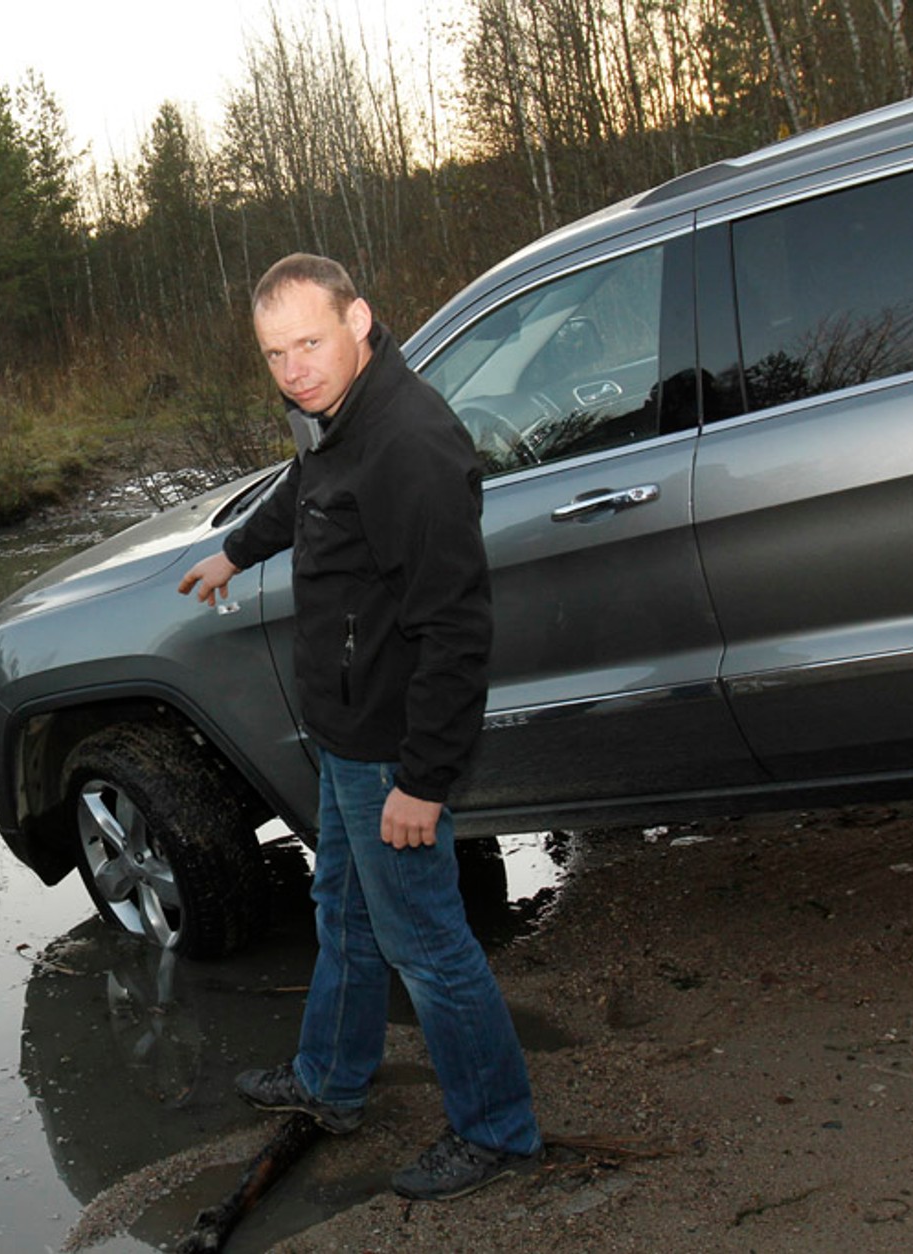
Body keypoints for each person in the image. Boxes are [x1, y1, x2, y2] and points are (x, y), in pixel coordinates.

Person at [177, 253, 542, 1201]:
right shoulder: (338, 419)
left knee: (427, 944)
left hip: (389, 749)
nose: (293, 369)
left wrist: (423, 780)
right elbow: (304, 491)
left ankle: (496, 1130)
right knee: (341, 911)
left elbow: (455, 632)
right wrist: (233, 553)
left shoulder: (409, 445)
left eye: (309, 342)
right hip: (345, 735)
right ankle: (332, 1080)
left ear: (359, 320)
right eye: (274, 353)